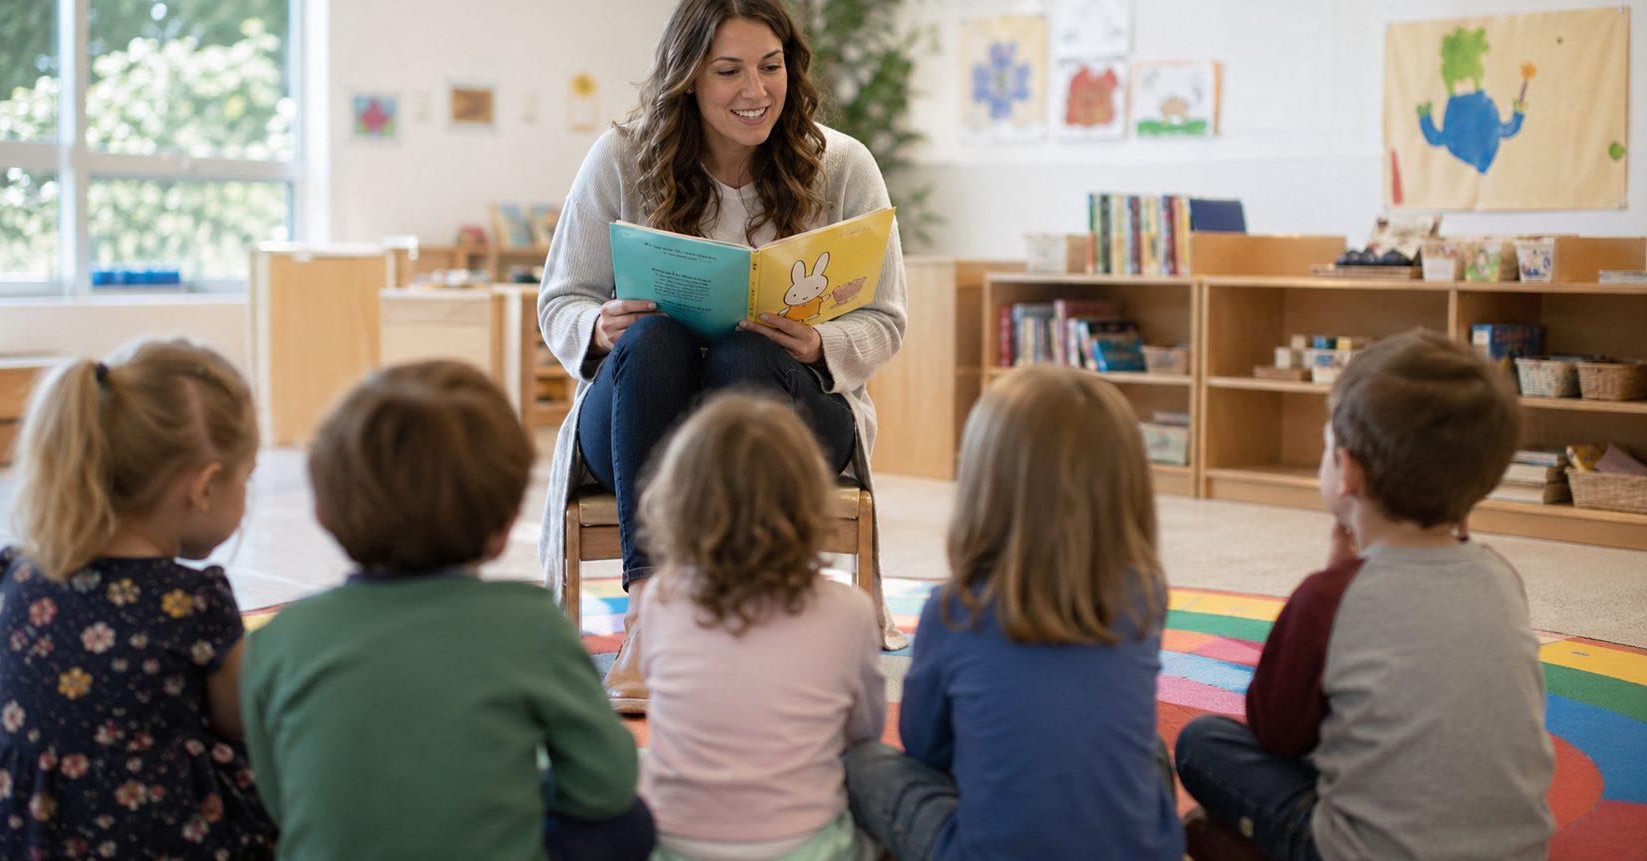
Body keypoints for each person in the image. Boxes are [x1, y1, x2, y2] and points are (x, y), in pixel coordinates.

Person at [536, 0, 910, 713]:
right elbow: (561, 301)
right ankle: (650, 618)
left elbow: (887, 320)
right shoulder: (621, 157)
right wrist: (597, 326)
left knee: (745, 354)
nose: (755, 90)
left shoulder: (842, 164)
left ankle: (749, 621)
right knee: (657, 338)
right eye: (728, 69)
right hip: (645, 411)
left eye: (770, 65)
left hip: (788, 405)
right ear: (688, 77)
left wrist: (819, 342)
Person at [240, 361, 653, 861]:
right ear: (504, 531)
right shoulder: (531, 625)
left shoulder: (278, 640)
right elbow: (605, 781)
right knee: (631, 825)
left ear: (323, 514)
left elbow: (276, 799)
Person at [1173, 330, 1556, 861]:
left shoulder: (1328, 597)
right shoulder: (1501, 576)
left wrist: (1332, 581)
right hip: (1516, 850)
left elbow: (1275, 732)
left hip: (1365, 851)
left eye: (1328, 446)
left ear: (1347, 472)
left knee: (1201, 744)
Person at [844, 367, 1185, 861]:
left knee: (866, 766)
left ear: (986, 487)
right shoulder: (1143, 595)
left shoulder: (955, 609)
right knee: (1147, 748)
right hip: (1137, 851)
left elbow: (925, 747)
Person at [0, 340, 277, 860]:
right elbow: (245, 720)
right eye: (245, 478)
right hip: (145, 830)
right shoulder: (190, 603)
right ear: (205, 486)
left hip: (14, 830)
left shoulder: (15, 571)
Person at [634, 393, 886, 861]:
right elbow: (865, 732)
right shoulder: (849, 610)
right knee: (878, 771)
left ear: (678, 503)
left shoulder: (660, 598)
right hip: (808, 847)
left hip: (671, 846)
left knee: (632, 763)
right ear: (809, 502)